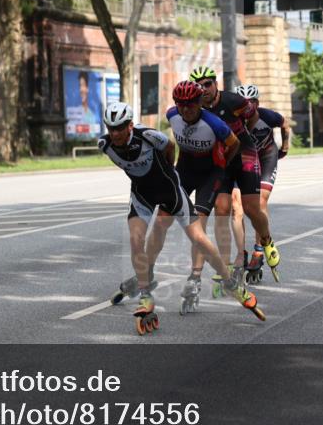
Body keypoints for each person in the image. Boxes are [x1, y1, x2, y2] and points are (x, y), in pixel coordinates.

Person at [100, 102, 264, 333]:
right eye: (110, 128)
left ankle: (231, 283)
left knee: (199, 239)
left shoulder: (148, 136)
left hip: (171, 192)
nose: (114, 133)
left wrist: (168, 172)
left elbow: (170, 148)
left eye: (119, 128)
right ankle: (146, 296)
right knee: (136, 239)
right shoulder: (105, 145)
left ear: (129, 125)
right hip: (142, 195)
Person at [189, 66, 281, 286]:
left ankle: (266, 240)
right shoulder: (196, 109)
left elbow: (254, 115)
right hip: (222, 160)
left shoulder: (233, 101)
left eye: (207, 84)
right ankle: (227, 263)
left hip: (246, 155)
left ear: (216, 84)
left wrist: (242, 135)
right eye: (199, 86)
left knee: (251, 208)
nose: (204, 89)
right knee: (222, 209)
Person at [162, 81, 241, 311]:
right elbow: (175, 141)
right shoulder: (171, 115)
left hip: (210, 173)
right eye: (181, 104)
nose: (186, 109)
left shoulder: (214, 122)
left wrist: (223, 161)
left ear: (199, 102)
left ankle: (194, 279)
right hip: (186, 168)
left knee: (198, 225)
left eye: (191, 104)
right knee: (163, 217)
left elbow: (234, 144)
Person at [235, 84, 290, 282]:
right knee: (237, 207)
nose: (249, 107)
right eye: (245, 103)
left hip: (267, 156)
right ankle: (241, 252)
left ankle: (259, 249)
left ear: (258, 103)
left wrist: (285, 146)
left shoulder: (267, 116)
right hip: (246, 159)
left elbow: (285, 125)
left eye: (253, 102)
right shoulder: (233, 120)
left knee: (260, 203)